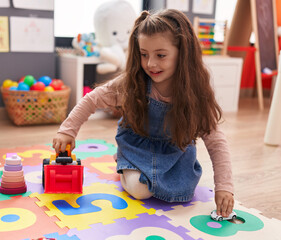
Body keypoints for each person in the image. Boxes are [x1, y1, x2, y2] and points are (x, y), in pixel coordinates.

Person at [53, 9, 234, 218]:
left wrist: (224, 186)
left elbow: (216, 142)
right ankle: (122, 161)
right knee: (141, 191)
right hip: (136, 148)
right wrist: (68, 130)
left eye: (161, 55)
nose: (150, 64)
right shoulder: (132, 83)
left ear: (183, 53)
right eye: (144, 54)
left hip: (175, 155)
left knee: (184, 191)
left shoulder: (195, 94)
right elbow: (92, 99)